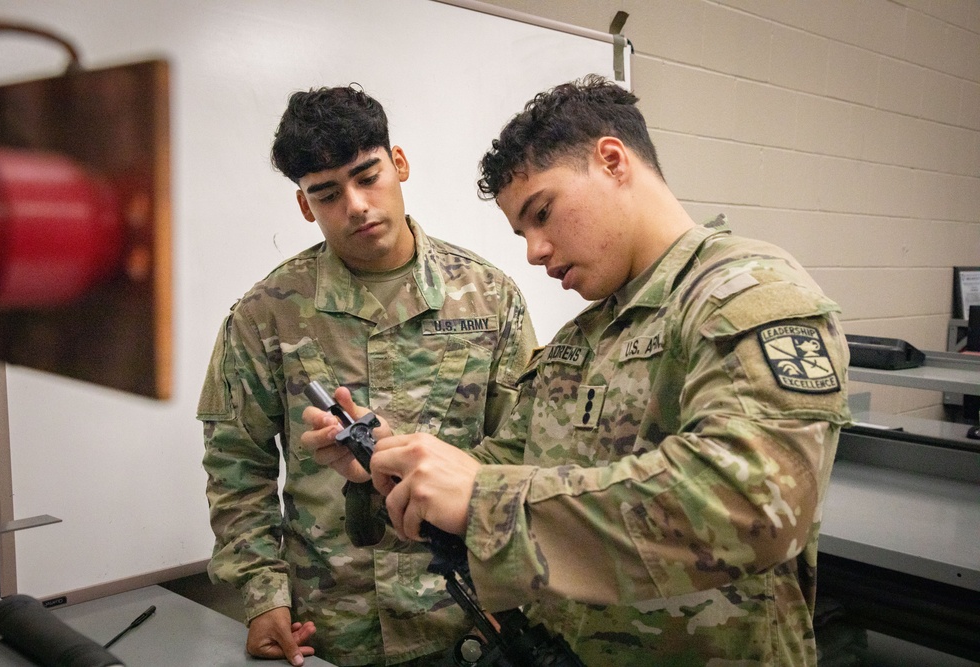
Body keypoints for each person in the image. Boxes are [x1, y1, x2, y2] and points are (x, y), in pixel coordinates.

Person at [310, 75, 851, 665]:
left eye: (542, 213)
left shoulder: (743, 293)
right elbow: (496, 468)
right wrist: (391, 463)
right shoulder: (581, 339)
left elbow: (751, 500)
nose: (533, 250)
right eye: (522, 231)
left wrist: (484, 501)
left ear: (612, 161)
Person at [198, 85, 537, 666]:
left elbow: (528, 447)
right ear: (306, 206)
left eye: (367, 175)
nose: (355, 204)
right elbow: (237, 464)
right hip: (332, 625)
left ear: (398, 164)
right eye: (327, 193)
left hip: (467, 618)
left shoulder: (489, 297)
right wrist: (262, 594)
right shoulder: (266, 313)